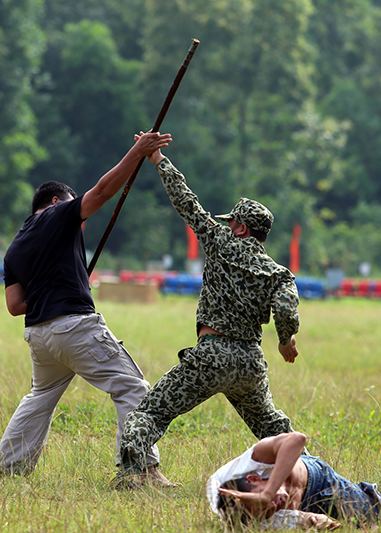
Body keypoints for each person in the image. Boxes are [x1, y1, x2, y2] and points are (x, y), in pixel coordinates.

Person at [114, 136, 302, 488]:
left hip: (211, 355)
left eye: (233, 223)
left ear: (242, 228)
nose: (229, 226)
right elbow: (286, 304)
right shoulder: (277, 272)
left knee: (150, 413)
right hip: (249, 361)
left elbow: (187, 203)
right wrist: (285, 339)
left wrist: (157, 160)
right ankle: (309, 478)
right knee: (273, 428)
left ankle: (132, 475)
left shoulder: (220, 242)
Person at [0, 132, 175, 481]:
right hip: (73, 327)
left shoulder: (14, 247)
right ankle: (138, 471)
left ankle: (8, 470)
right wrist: (136, 152)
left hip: (39, 335)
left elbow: (15, 306)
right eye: (75, 207)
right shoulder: (57, 215)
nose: (82, 219)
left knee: (40, 397)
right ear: (57, 200)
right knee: (133, 387)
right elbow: (103, 192)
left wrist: (49, 287)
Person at [208, 432, 381, 530]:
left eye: (268, 501)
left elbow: (297, 439)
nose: (274, 504)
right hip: (303, 506)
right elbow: (309, 522)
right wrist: (306, 519)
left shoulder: (254, 459)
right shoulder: (249, 518)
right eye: (269, 510)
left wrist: (269, 492)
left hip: (320, 483)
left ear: (256, 477)